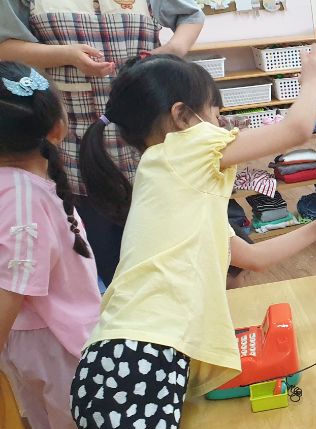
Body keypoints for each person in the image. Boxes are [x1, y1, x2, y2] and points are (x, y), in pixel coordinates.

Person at [69, 51, 316, 429]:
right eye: (217, 114)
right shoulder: (182, 149)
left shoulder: (182, 187)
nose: (223, 127)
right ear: (182, 117)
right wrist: (311, 79)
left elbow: (252, 258)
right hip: (138, 360)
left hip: (132, 359)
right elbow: (297, 129)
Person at [0, 0, 206, 286]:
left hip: (150, 146)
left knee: (164, 262)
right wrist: (66, 55)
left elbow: (191, 15)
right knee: (102, 263)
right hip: (76, 150)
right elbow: (5, 48)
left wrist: (174, 49)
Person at [0, 61, 99, 429]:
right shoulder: (23, 198)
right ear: (58, 128)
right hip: (53, 344)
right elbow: (12, 288)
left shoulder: (20, 188)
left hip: (51, 337)